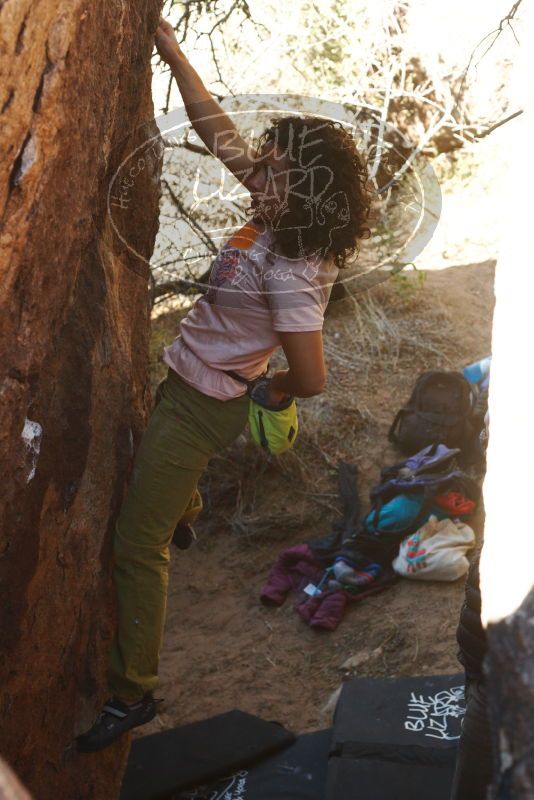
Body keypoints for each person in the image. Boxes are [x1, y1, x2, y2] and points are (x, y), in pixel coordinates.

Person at [76, 16, 371, 752]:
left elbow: (313, 373)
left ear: (297, 187)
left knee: (136, 544)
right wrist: (172, 50)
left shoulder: (294, 268)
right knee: (163, 493)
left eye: (269, 170)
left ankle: (131, 692)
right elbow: (216, 131)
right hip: (188, 390)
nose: (253, 175)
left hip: (204, 407)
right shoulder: (278, 220)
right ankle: (188, 500)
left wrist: (269, 388)